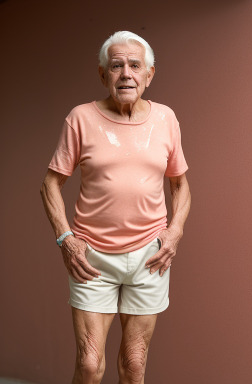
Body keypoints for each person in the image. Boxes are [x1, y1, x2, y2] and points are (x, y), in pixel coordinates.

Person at [40, 30, 191, 384]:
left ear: (150, 74)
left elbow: (180, 184)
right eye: (116, 65)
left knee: (134, 363)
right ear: (102, 73)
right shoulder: (80, 118)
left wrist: (175, 232)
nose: (126, 74)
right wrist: (66, 239)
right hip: (91, 257)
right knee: (90, 364)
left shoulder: (166, 119)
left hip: (150, 256)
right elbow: (50, 182)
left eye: (135, 65)